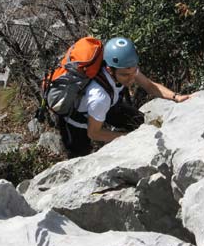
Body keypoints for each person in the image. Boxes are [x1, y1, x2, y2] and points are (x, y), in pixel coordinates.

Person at [59, 37, 191, 157]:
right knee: (80, 156)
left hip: (109, 105)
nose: (131, 78)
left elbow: (149, 86)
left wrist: (176, 97)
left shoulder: (125, 68)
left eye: (134, 72)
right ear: (110, 70)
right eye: (125, 75)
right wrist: (126, 137)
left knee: (138, 123)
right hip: (76, 120)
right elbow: (94, 133)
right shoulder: (99, 97)